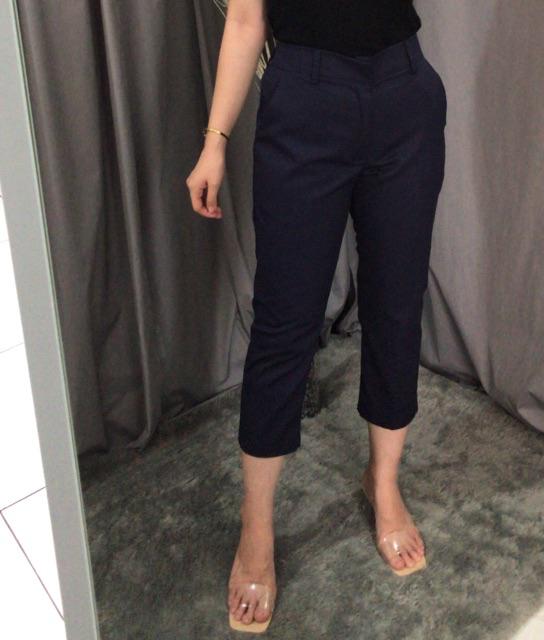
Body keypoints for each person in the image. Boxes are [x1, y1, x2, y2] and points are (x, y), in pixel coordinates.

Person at [186, 0, 447, 632]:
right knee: (284, 323)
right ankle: (256, 526)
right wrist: (215, 142)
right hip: (304, 99)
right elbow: (245, 19)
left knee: (397, 304)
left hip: (404, 91)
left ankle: (383, 482)